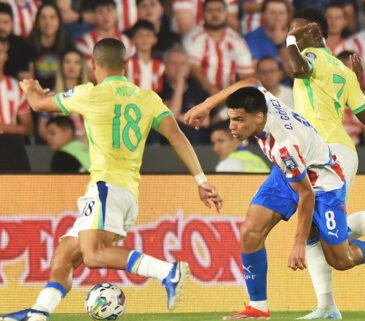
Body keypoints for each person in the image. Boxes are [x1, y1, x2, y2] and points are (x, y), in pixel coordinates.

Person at [185, 9, 365, 319]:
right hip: (302, 154)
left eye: (296, 31)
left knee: (337, 252)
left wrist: (292, 40)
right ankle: (267, 307)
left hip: (324, 160)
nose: (290, 37)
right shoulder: (342, 71)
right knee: (253, 229)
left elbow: (296, 68)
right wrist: (354, 83)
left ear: (313, 33)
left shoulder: (311, 59)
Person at [0, 38, 223, 321]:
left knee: (93, 255)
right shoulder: (148, 98)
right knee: (64, 257)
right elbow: (177, 135)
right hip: (127, 193)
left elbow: (37, 104)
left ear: (92, 67)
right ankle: (38, 314)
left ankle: (168, 271)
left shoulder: (89, 93)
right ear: (126, 65)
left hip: (106, 188)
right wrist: (201, 179)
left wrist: (31, 88)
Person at [203, 84, 365, 321]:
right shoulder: (262, 100)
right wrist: (207, 104)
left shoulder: (284, 145)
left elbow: (307, 194)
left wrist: (298, 243)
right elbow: (250, 82)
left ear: (259, 117)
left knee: (341, 260)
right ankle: (258, 308)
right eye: (231, 118)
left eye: (239, 120)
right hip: (290, 172)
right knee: (250, 231)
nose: (232, 126)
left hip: (322, 184)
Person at [182, 0, 254, 95]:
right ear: (203, 14)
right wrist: (211, 89)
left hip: (230, 95)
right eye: (210, 11)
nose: (215, 14)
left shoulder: (237, 40)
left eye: (219, 10)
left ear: (226, 14)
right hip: (199, 92)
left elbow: (245, 73)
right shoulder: (193, 37)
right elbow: (193, 68)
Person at [38, 49, 89, 143]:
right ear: (61, 66)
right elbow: (42, 129)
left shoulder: (91, 95)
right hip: (60, 148)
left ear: (82, 68)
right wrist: (58, 142)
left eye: (77, 62)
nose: (71, 66)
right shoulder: (51, 96)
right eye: (67, 61)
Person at [27, 3, 75, 90]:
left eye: (52, 17)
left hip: (61, 96)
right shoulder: (26, 46)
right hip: (36, 97)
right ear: (37, 22)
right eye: (43, 17)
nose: (48, 22)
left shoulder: (69, 46)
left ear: (59, 21)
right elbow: (28, 82)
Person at [0, 37, 33, 138]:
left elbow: (28, 129)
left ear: (6, 55)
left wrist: (3, 127)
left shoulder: (16, 88)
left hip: (8, 149)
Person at [244, 0, 290, 65]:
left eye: (281, 13)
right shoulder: (250, 39)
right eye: (272, 13)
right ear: (263, 15)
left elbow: (295, 72)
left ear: (287, 16)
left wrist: (280, 45)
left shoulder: (297, 38)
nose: (277, 17)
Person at [125, 20, 164, 93]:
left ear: (155, 39)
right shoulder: (127, 64)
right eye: (140, 36)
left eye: (148, 35)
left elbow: (159, 92)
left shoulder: (160, 66)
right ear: (133, 39)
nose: (144, 39)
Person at [0, 2, 35, 80]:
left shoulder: (22, 46)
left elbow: (27, 77)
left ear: (12, 23)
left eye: (5, 22)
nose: (1, 27)